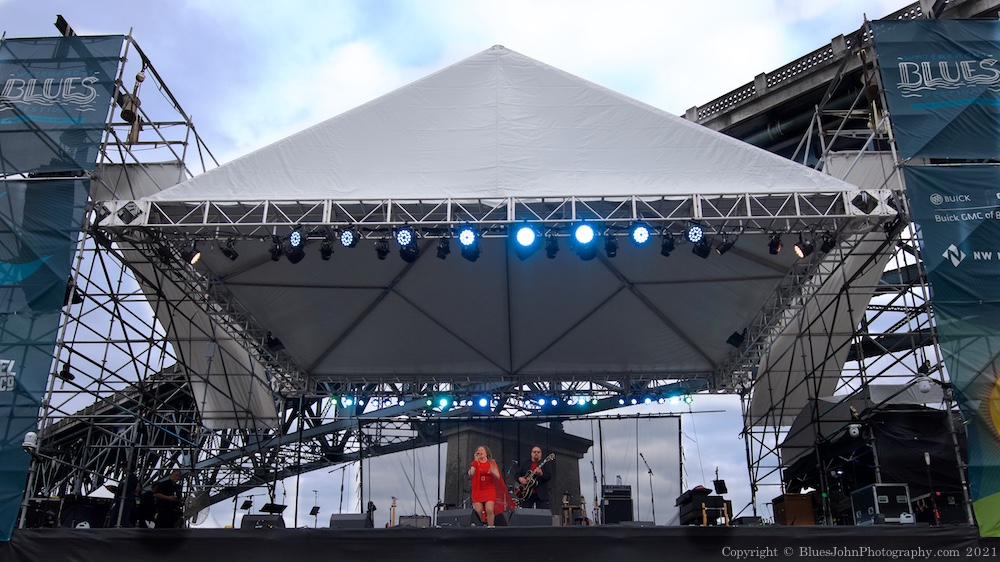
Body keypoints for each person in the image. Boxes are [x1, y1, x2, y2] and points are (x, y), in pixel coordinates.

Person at [468, 445, 502, 527]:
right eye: (478, 450)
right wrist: (475, 461)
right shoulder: (475, 463)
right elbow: (470, 474)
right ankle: (479, 529)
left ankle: (490, 527)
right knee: (478, 511)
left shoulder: (491, 463)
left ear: (486, 453)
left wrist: (492, 472)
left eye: (482, 450)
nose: (480, 451)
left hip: (489, 489)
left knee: (489, 510)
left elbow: (497, 476)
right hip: (478, 490)